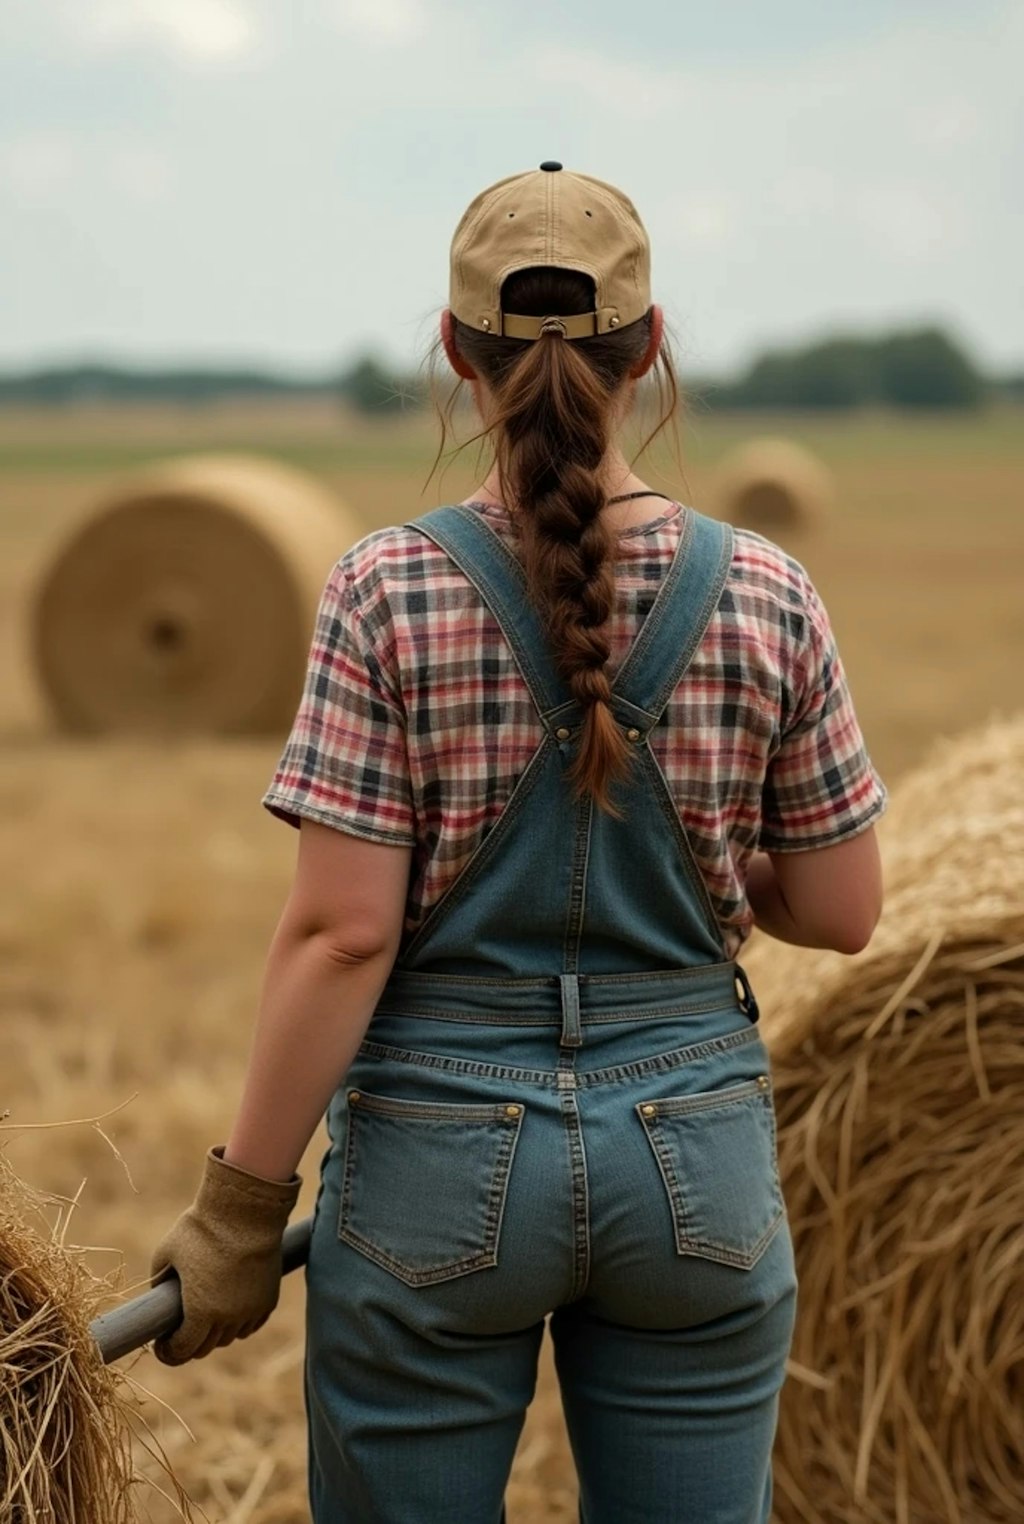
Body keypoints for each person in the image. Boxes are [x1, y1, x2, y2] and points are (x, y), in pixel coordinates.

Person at [151, 163, 886, 1523]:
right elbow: (843, 909)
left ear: (452, 352)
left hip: (437, 1161)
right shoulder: (771, 586)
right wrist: (712, 851)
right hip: (697, 1165)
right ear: (652, 348)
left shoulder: (385, 587)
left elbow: (343, 930)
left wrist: (244, 1207)